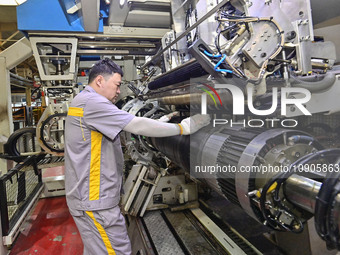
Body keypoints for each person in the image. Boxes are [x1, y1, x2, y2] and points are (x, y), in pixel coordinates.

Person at [64, 58, 210, 255]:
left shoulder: (84, 101)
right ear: (99, 81)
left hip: (91, 197)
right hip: (95, 201)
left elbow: (119, 128)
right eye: (116, 85)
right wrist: (182, 128)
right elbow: (135, 125)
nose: (118, 92)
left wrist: (162, 121)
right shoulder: (93, 102)